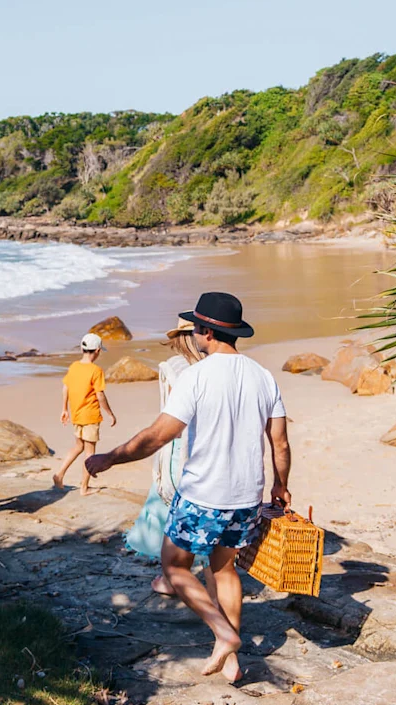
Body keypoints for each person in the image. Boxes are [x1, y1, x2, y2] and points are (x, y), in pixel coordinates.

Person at [86, 292, 289, 682]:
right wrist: (280, 485)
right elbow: (279, 441)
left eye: (196, 326)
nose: (194, 333)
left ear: (206, 332)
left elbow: (159, 436)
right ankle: (229, 661)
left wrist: (111, 457)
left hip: (202, 495)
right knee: (225, 569)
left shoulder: (195, 376)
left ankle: (224, 633)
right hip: (247, 496)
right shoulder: (263, 376)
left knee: (174, 567)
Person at [124, 319, 206, 595]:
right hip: (207, 449)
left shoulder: (176, 368)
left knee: (171, 511)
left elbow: (169, 416)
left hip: (177, 446)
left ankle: (172, 578)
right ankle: (203, 575)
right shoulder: (212, 368)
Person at [53, 332, 116, 496]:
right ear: (97, 351)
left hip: (77, 414)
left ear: (82, 348)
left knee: (78, 446)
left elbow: (65, 388)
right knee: (89, 453)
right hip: (90, 416)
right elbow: (100, 395)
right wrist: (110, 414)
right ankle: (84, 488)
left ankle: (59, 475)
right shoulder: (96, 370)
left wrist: (64, 409)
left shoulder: (74, 366)